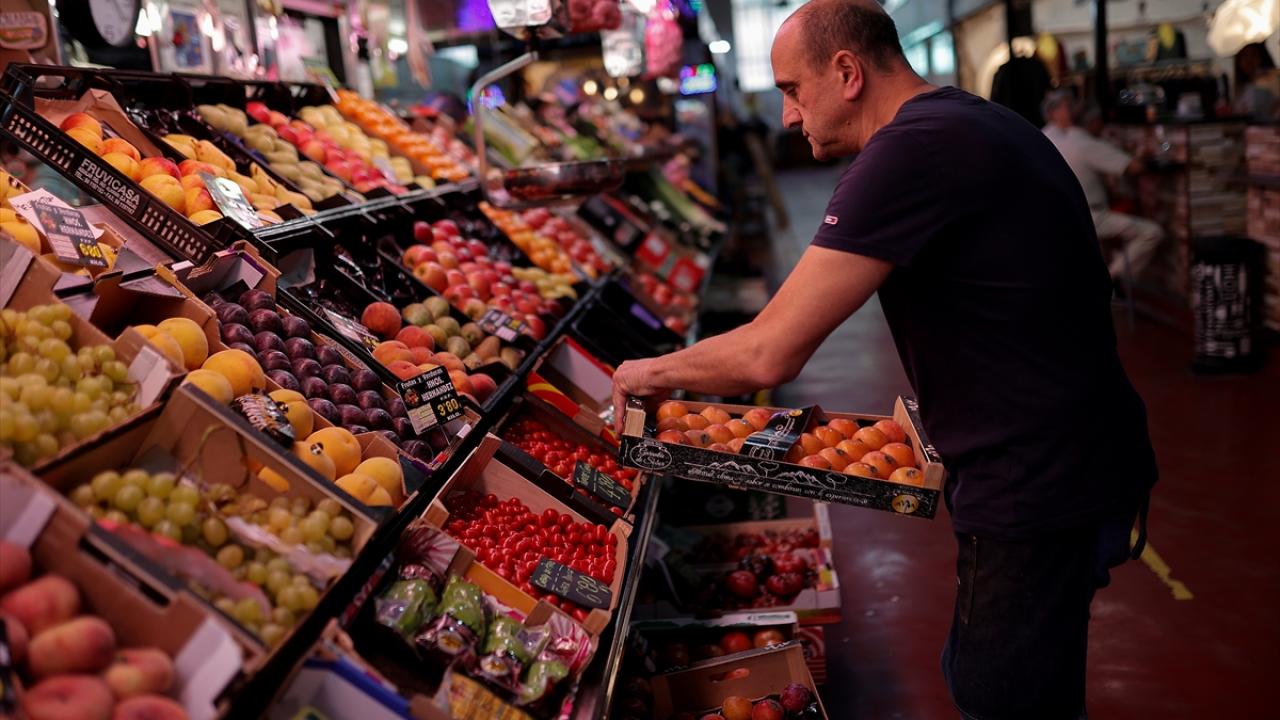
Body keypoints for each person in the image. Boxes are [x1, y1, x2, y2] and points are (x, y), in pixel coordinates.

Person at [610, 1, 1156, 718]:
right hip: (1074, 453)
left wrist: (642, 373)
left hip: (1034, 480)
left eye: (792, 90)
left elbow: (772, 349)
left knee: (1004, 694)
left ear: (847, 72)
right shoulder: (969, 119)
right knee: (999, 673)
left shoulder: (912, 151)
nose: (787, 118)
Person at [1041, 91, 1163, 287]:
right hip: (1087, 217)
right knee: (1151, 232)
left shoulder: (1046, 136)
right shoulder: (1083, 143)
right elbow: (1134, 167)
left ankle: (1106, 279)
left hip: (1056, 219)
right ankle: (1109, 280)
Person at [1233, 42, 1279, 120]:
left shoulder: (1271, 79)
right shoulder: (1240, 87)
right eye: (1244, 56)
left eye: (1253, 55)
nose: (1249, 60)